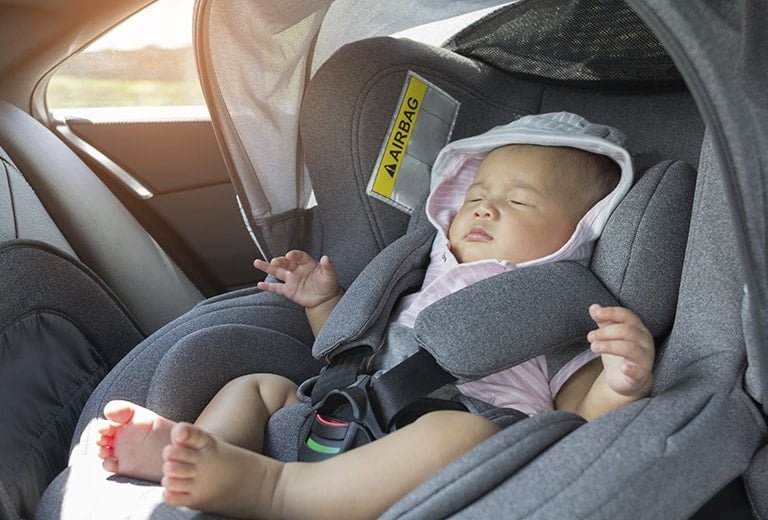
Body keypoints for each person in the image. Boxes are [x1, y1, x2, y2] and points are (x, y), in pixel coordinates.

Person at [96, 113, 654, 520]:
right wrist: (323, 305)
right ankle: (199, 449)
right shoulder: (420, 276)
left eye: (520, 201)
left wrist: (621, 383)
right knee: (259, 387)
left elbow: (580, 409)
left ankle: (272, 490)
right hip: (342, 409)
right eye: (477, 194)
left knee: (459, 431)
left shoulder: (554, 309)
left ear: (578, 233)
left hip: (434, 446)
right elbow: (358, 353)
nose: (484, 207)